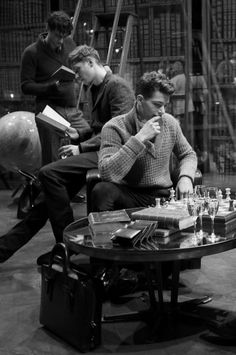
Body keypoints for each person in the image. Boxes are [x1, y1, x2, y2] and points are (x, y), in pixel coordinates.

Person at [0, 45, 135, 265]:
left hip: (113, 154)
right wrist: (78, 133)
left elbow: (120, 132)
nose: (78, 77)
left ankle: (69, 245)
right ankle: (4, 249)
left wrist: (81, 148)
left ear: (91, 62)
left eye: (79, 70)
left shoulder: (117, 87)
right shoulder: (95, 88)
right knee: (47, 199)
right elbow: (97, 128)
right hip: (99, 150)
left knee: (48, 173)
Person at [91, 71, 197, 212]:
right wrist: (139, 138)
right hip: (128, 195)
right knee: (102, 190)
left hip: (163, 195)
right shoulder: (114, 127)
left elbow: (188, 154)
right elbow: (107, 173)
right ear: (140, 100)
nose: (162, 111)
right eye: (157, 104)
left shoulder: (169, 123)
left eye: (165, 105)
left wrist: (186, 177)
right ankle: (107, 234)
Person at [20, 11, 91, 165]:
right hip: (48, 110)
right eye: (58, 36)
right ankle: (50, 185)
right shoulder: (31, 53)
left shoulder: (69, 43)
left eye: (64, 36)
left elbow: (84, 60)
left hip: (71, 109)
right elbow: (25, 86)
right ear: (48, 30)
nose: (61, 41)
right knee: (52, 159)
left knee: (89, 136)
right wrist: (48, 88)